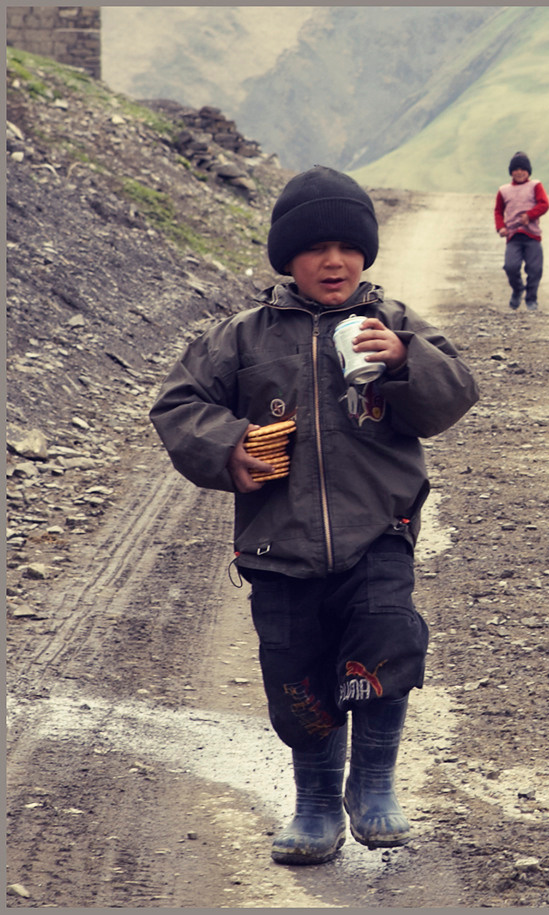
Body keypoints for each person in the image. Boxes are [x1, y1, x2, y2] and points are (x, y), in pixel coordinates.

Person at [149, 166, 479, 866]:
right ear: (286, 257)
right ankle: (317, 802)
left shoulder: (389, 326)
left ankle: (376, 783)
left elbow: (454, 394)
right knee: (299, 678)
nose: (334, 261)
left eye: (348, 247)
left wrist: (405, 360)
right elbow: (178, 406)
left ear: (365, 254)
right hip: (278, 545)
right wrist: (229, 446)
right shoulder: (242, 337)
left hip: (379, 532)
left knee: (387, 646)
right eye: (315, 247)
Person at [494, 151, 549, 311]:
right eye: (516, 169)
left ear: (528, 171)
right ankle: (518, 290)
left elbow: (544, 204)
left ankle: (531, 298)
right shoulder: (504, 190)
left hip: (532, 235)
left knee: (535, 269)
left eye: (523, 169)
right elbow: (498, 210)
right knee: (510, 266)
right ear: (511, 172)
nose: (519, 172)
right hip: (513, 236)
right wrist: (501, 227)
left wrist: (530, 215)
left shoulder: (535, 186)